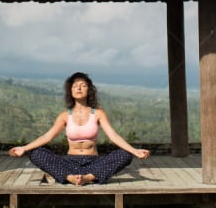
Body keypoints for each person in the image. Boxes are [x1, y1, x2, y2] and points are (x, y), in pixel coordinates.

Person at [8, 72, 151, 186]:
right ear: (70, 91)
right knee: (36, 153)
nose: (79, 88)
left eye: (83, 85)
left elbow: (113, 136)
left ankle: (88, 178)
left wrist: (134, 151)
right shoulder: (64, 116)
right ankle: (70, 177)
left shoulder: (98, 113)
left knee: (125, 154)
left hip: (94, 164)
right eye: (75, 86)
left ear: (89, 90)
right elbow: (46, 137)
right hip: (70, 163)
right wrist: (24, 148)